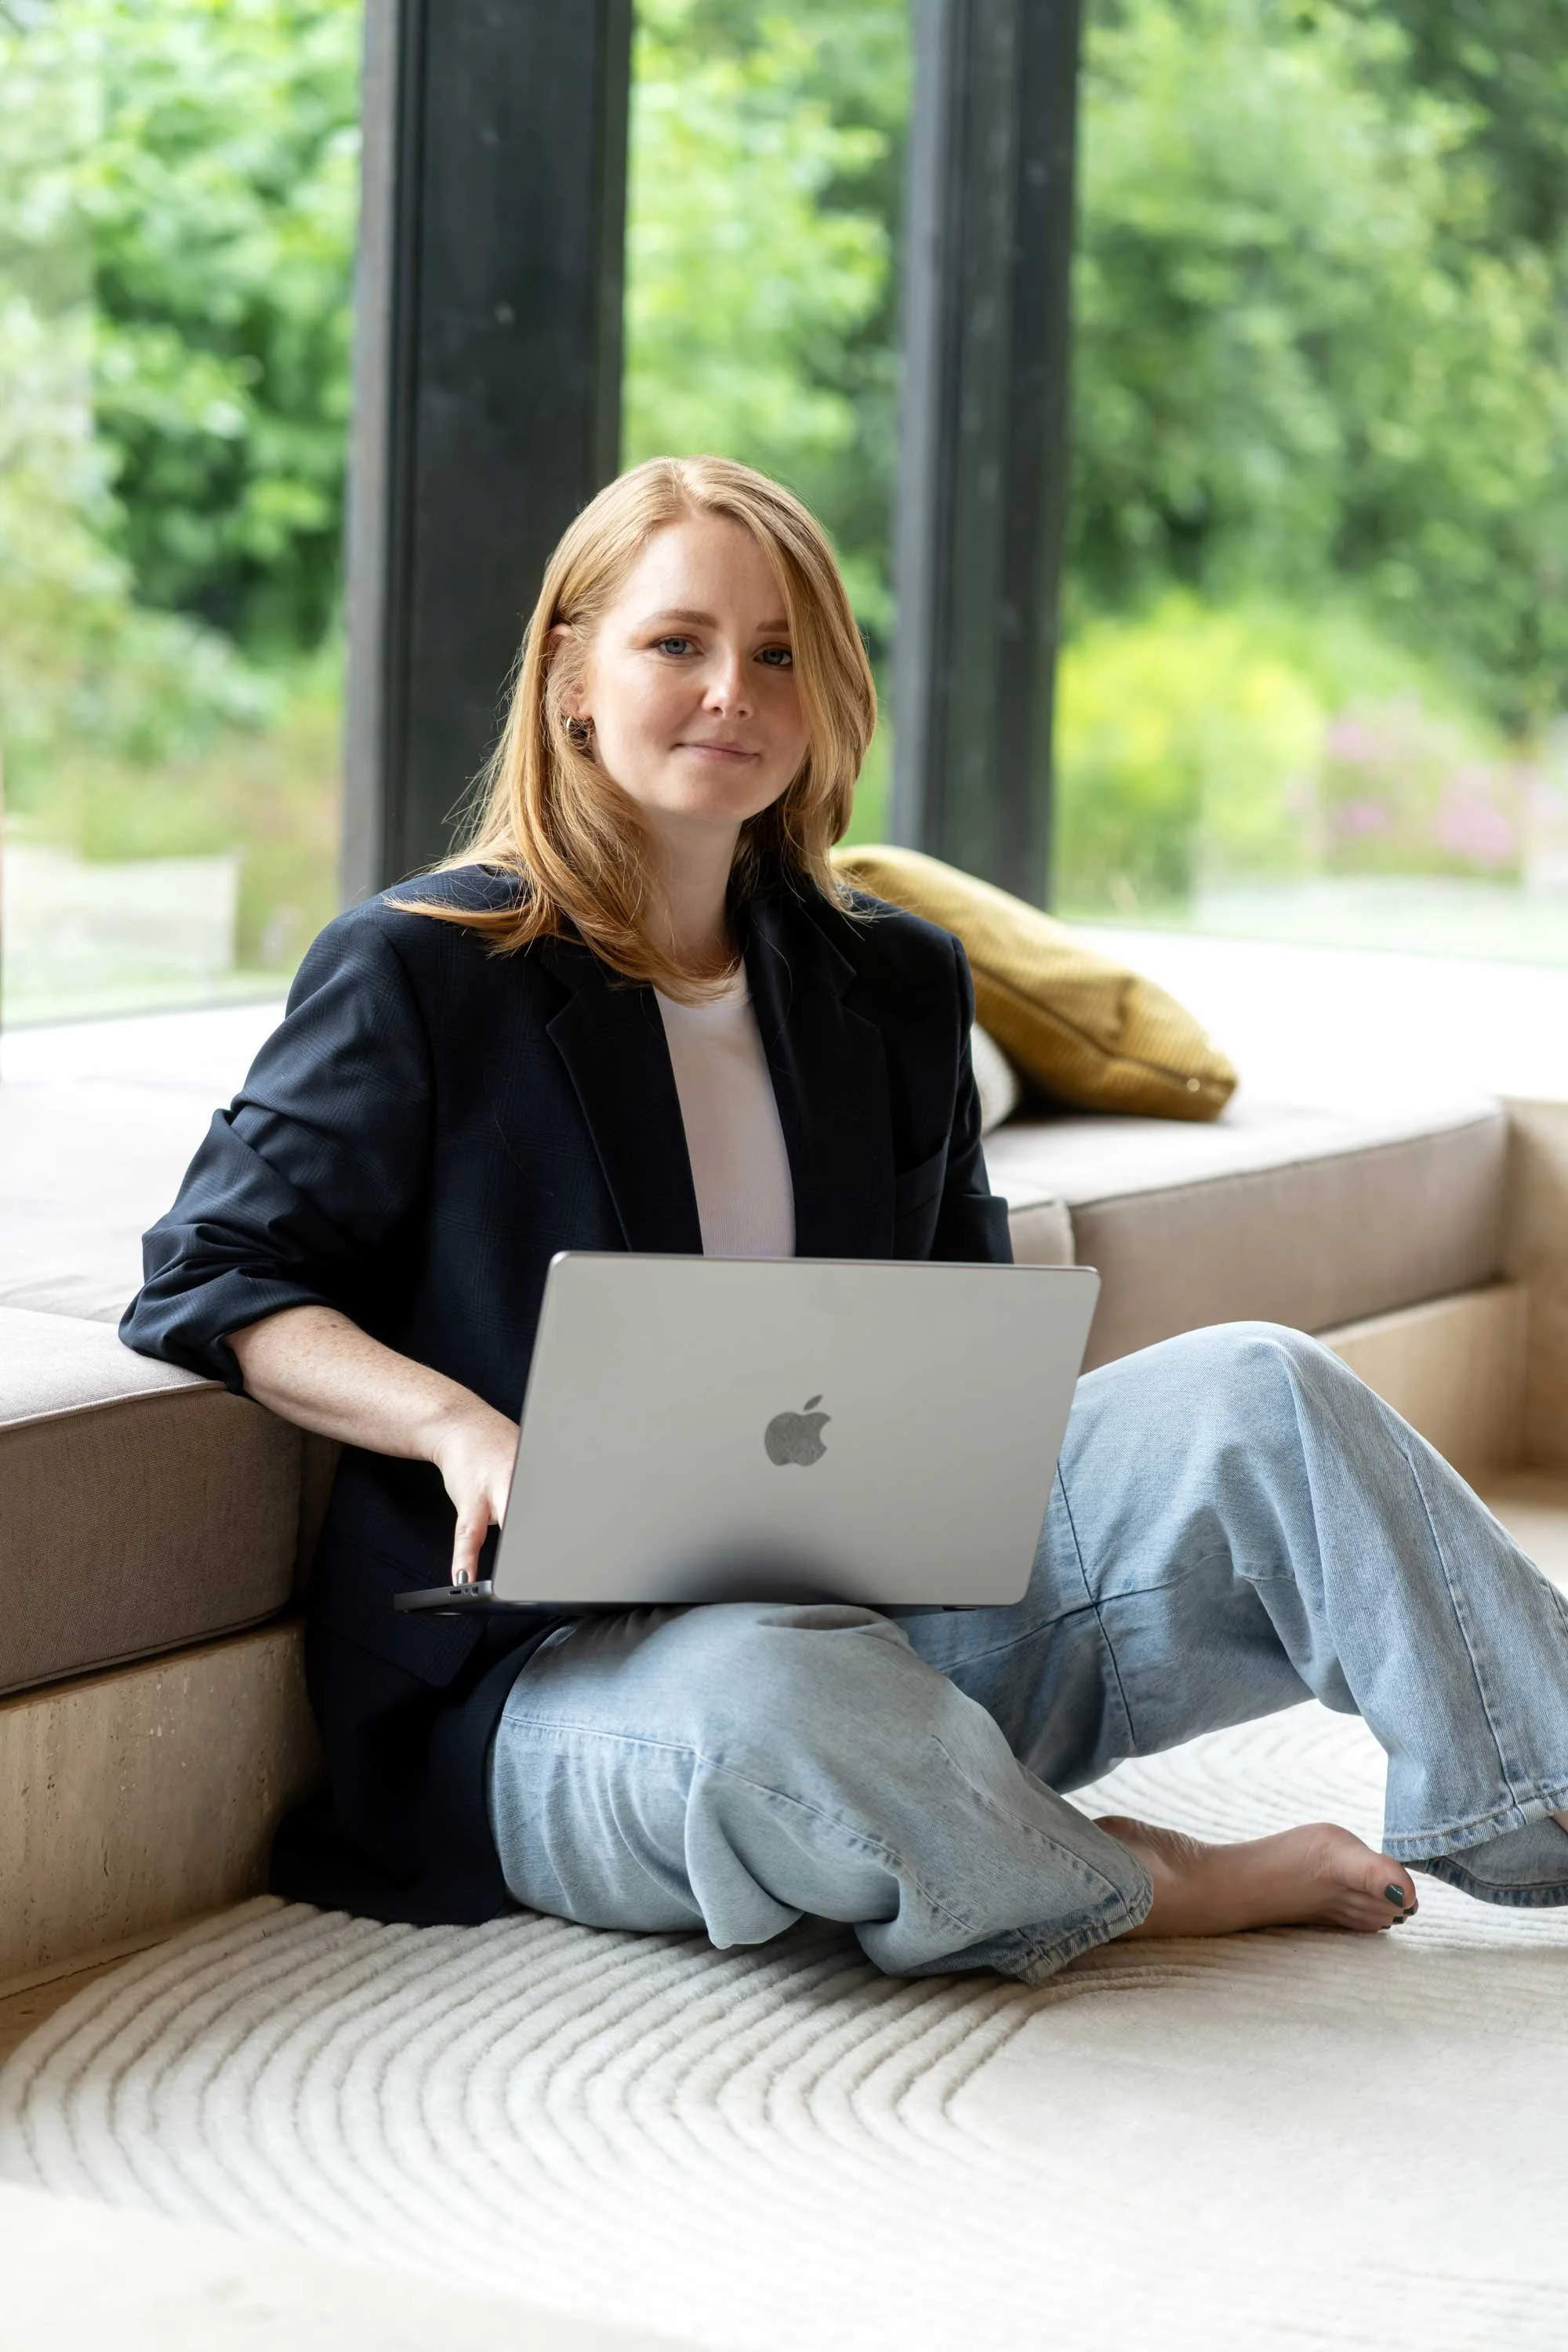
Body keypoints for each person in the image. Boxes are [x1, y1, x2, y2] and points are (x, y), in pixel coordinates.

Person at [122, 454, 1568, 1982]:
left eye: (778, 652)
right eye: (675, 644)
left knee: (1257, 1391)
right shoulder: (418, 965)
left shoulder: (895, 983)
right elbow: (211, 1273)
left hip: (882, 1625)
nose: (728, 691)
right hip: (558, 1687)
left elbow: (951, 1346)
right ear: (570, 677)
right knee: (767, 1701)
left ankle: (1543, 1795)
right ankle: (1137, 1879)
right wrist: (457, 1427)